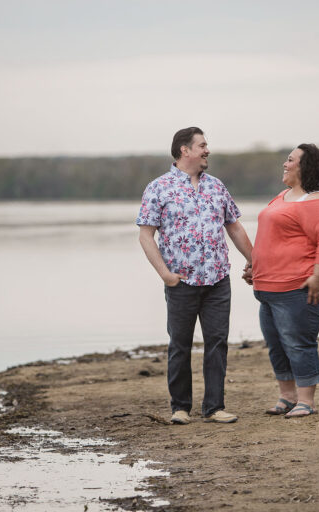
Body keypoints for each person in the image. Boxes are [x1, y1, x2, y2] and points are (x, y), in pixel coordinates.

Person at [137, 127, 253, 425]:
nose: (207, 150)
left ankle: (214, 407)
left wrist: (256, 262)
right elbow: (146, 236)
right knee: (180, 345)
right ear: (184, 150)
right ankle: (180, 408)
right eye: (202, 145)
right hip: (181, 281)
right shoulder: (159, 188)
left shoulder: (216, 186)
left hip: (217, 280)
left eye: (206, 145)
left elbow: (235, 227)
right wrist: (165, 275)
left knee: (217, 343)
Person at [246, 143, 319, 418]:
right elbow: (273, 238)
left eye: (290, 160)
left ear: (305, 167)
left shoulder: (317, 200)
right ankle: (287, 396)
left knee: (298, 342)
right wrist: (254, 265)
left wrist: (317, 276)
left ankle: (306, 401)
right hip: (268, 288)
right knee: (276, 344)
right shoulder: (284, 196)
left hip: (300, 286)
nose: (285, 164)